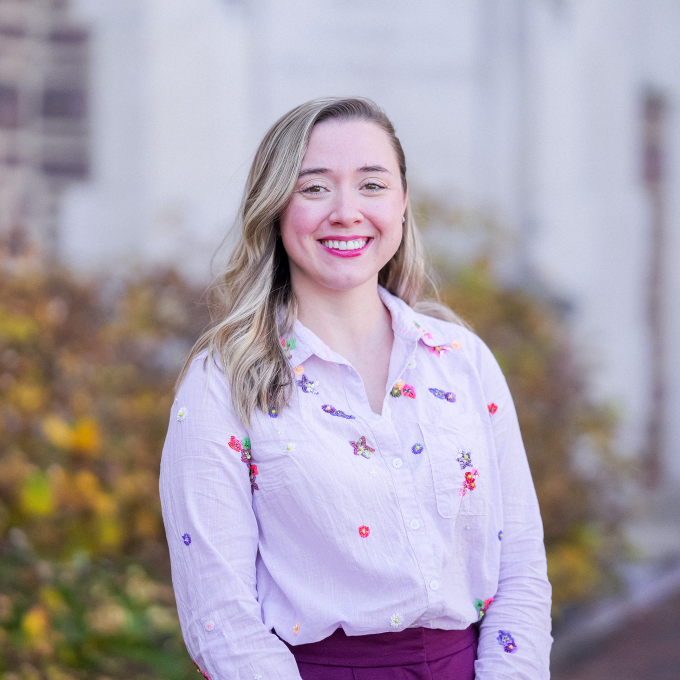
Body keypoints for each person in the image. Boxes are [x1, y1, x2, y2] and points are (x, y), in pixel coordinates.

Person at [159, 97, 552, 680]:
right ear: (274, 207)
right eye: (314, 187)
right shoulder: (223, 381)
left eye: (372, 185)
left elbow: (519, 568)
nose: (346, 212)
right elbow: (220, 616)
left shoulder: (462, 361)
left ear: (401, 204)